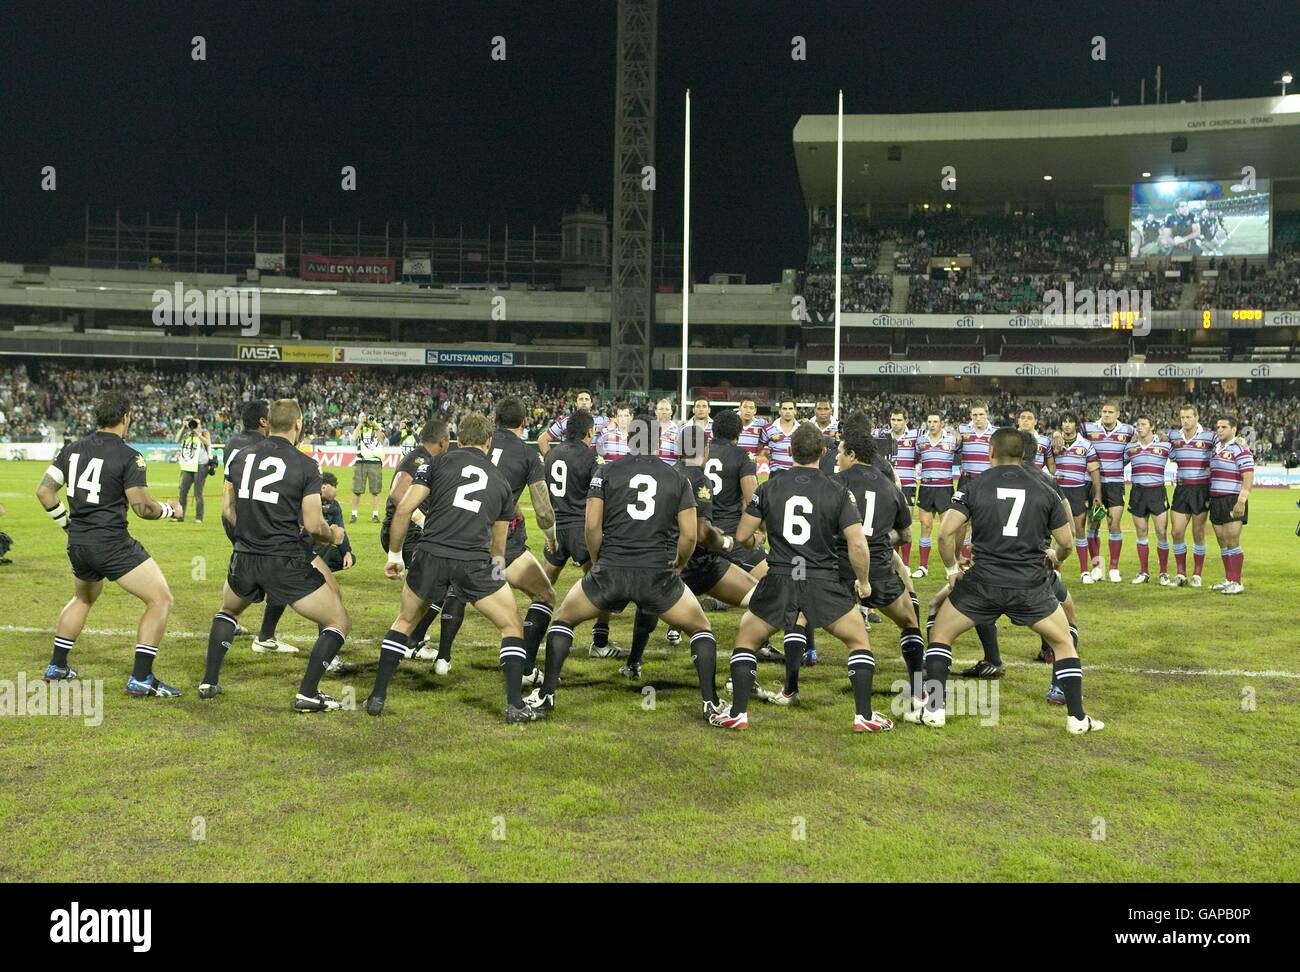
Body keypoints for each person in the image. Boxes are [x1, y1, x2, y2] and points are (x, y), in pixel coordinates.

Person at [524, 412, 722, 722]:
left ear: (629, 438)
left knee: (563, 619)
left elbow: (592, 526)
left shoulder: (605, 472)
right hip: (657, 574)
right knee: (700, 628)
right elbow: (690, 535)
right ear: (658, 441)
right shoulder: (677, 478)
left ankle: (547, 695)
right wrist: (679, 564)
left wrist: (599, 559)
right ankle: (711, 704)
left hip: (612, 569)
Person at [916, 428, 1103, 733]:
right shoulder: (1046, 487)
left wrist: (952, 569)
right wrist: (1055, 558)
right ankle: (1078, 719)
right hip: (1030, 585)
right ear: (1024, 454)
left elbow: (945, 532)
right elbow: (1067, 541)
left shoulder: (974, 485)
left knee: (940, 634)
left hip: (983, 583)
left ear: (991, 451)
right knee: (1064, 644)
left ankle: (934, 709)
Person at [718, 423, 888, 732]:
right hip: (821, 578)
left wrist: (756, 539)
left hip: (781, 575)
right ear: (823, 453)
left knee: (746, 639)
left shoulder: (768, 487)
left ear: (790, 451)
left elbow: (743, 535)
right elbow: (858, 543)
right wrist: (863, 582)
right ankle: (863, 716)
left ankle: (737, 713)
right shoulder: (838, 490)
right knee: (858, 639)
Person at [368, 412, 533, 723]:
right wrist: (497, 578)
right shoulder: (501, 482)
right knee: (511, 624)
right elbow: (498, 546)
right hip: (472, 561)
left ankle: (377, 695)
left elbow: (404, 508)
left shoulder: (437, 462)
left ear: (459, 439)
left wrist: (394, 555)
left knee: (404, 621)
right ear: (488, 441)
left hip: (430, 555)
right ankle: (514, 705)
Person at [199, 399, 352, 711]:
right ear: (298, 424)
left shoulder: (240, 456)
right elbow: (313, 525)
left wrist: (252, 531)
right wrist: (334, 536)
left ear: (268, 422)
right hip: (283, 558)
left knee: (228, 611)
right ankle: (308, 693)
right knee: (338, 620)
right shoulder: (306, 465)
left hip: (244, 554)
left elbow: (228, 509)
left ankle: (208, 682)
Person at [36, 391, 181, 696]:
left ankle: (57, 667)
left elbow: (45, 492)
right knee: (161, 600)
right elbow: (142, 508)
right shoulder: (129, 456)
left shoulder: (71, 449)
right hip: (112, 543)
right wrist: (170, 510)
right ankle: (141, 679)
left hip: (79, 543)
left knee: (84, 598)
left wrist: (66, 524)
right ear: (126, 417)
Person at [621, 423, 761, 680]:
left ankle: (633, 662)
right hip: (700, 564)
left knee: (647, 609)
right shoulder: (699, 478)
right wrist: (728, 543)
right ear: (705, 450)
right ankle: (739, 674)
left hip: (666, 563)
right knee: (761, 600)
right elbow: (702, 532)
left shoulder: (666, 473)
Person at [436, 398, 561, 674]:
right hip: (504, 543)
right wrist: (551, 537)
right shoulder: (527, 454)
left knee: (458, 589)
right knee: (544, 595)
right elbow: (543, 509)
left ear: (494, 422)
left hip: (461, 534)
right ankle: (525, 668)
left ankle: (443, 658)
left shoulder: (471, 447)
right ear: (525, 423)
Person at [379, 419, 451, 667]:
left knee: (435, 587)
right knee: (439, 586)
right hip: (408, 533)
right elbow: (398, 494)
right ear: (443, 441)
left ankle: (411, 637)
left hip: (409, 533)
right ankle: (410, 641)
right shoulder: (419, 459)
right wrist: (423, 521)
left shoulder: (422, 457)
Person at [1164, 404, 1216, 588]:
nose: (1185, 421)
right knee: (1176, 532)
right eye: (1182, 417)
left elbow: (1226, 443)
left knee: (1198, 532)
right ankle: (1180, 574)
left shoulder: (1210, 436)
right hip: (1182, 489)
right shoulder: (1174, 436)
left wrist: (1240, 440)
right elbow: (1157, 436)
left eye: (1188, 417)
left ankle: (1197, 574)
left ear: (1196, 418)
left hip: (1201, 489)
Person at [1082, 401, 1135, 582]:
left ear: (1118, 414)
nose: (1106, 415)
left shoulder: (1128, 431)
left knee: (1114, 523)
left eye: (1110, 412)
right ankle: (1096, 566)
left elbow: (1133, 449)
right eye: (1104, 411)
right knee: (1093, 524)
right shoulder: (1088, 429)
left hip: (1115, 483)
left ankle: (1114, 568)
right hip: (1092, 483)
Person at [1052, 411, 1104, 585]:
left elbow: (1094, 470)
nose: (1067, 425)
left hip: (1077, 491)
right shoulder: (1053, 444)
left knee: (1080, 531)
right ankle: (1055, 570)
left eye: (1070, 422)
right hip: (1057, 491)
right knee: (1055, 533)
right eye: (1064, 422)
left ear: (1076, 425)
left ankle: (1084, 571)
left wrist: (1097, 494)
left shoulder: (1086, 445)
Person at [1123, 416, 1172, 585]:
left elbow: (1181, 454)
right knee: (1141, 532)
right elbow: (1119, 462)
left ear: (1152, 427)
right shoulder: (1130, 447)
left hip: (1157, 492)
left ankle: (1164, 573)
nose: (1139, 427)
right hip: (1138, 492)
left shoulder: (1165, 446)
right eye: (1137, 425)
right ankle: (1144, 572)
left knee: (1162, 532)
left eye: (1143, 424)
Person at [1208, 415, 1253, 595]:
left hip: (1232, 499)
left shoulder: (1240, 449)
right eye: (1218, 427)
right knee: (1222, 541)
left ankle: (1237, 581)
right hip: (1216, 499)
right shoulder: (1216, 448)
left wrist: (1242, 500)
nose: (1219, 430)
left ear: (1233, 429)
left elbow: (1248, 475)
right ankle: (1228, 579)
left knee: (1232, 540)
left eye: (1224, 427)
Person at [912, 411, 958, 578]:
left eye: (935, 421)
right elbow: (915, 458)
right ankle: (923, 567)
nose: (932, 424)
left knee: (947, 531)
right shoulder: (920, 440)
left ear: (941, 424)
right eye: (929, 421)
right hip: (925, 487)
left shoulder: (952, 440)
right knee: (926, 527)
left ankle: (950, 568)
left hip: (945, 488)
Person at [537, 389, 607, 455]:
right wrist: (550, 459)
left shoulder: (601, 422)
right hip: (569, 464)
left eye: (587, 399)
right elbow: (542, 439)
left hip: (592, 465)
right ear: (576, 403)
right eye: (581, 399)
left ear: (591, 404)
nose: (584, 402)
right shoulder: (565, 422)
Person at [350, 412, 386, 523]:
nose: (367, 420)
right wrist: (360, 424)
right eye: (363, 417)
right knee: (357, 490)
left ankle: (375, 515)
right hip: (361, 461)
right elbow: (353, 439)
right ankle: (354, 514)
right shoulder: (360, 428)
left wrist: (375, 425)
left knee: (375, 491)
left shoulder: (378, 427)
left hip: (375, 461)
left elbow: (382, 440)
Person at [175, 416, 212, 523]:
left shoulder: (204, 432)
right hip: (189, 466)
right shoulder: (187, 434)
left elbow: (208, 443)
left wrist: (198, 433)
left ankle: (199, 517)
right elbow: (177, 439)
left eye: (197, 423)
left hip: (201, 465)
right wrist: (183, 427)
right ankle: (180, 515)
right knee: (182, 491)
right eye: (193, 423)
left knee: (198, 493)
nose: (195, 425)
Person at [315, 473, 354, 572]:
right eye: (334, 486)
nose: (336, 490)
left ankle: (317, 570)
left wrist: (347, 552)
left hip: (321, 548)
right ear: (323, 487)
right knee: (327, 541)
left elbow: (341, 530)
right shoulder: (309, 501)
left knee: (349, 558)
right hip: (306, 546)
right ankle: (314, 571)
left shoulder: (334, 505)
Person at [760, 398, 801, 475]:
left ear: (795, 411)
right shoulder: (768, 428)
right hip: (775, 473)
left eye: (790, 408)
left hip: (795, 473)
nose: (788, 411)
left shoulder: (802, 430)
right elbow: (760, 448)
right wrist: (766, 454)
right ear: (779, 411)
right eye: (784, 409)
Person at [736, 397, 768, 462]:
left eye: (751, 408)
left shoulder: (762, 424)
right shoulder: (732, 423)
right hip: (735, 463)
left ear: (755, 411)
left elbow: (768, 444)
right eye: (745, 407)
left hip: (753, 465)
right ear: (740, 408)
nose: (748, 411)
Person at [654, 397, 680, 464]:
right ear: (656, 412)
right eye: (661, 409)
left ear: (671, 412)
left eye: (667, 409)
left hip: (672, 470)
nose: (664, 412)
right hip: (651, 469)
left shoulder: (678, 429)